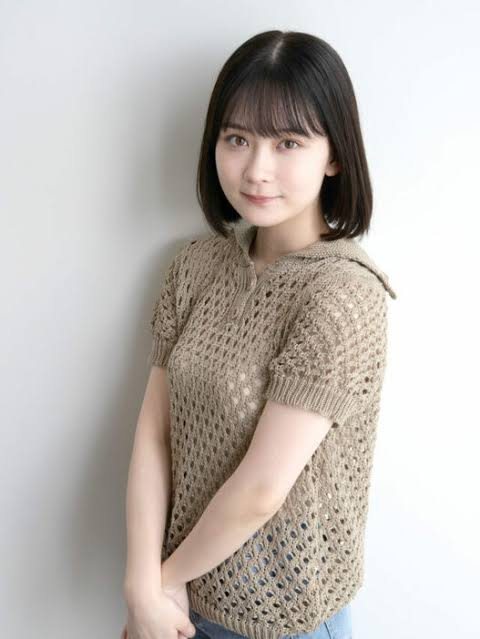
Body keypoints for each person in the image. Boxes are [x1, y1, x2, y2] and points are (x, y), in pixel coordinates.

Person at [122, 29, 397, 639]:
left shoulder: (344, 295)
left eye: (288, 142)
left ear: (334, 155)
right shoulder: (194, 266)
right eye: (237, 138)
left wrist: (161, 585)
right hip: (177, 600)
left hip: (281, 616)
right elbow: (154, 433)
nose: (256, 170)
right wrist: (140, 586)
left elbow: (263, 488)